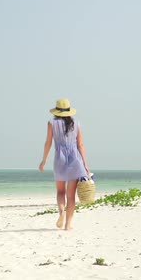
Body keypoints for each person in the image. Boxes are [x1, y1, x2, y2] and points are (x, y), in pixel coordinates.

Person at [39, 98, 90, 230]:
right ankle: (68, 225)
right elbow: (80, 145)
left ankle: (61, 212)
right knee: (71, 194)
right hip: (75, 160)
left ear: (56, 111)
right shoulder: (76, 123)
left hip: (59, 159)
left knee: (60, 192)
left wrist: (43, 160)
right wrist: (85, 164)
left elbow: (48, 143)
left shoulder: (51, 123)